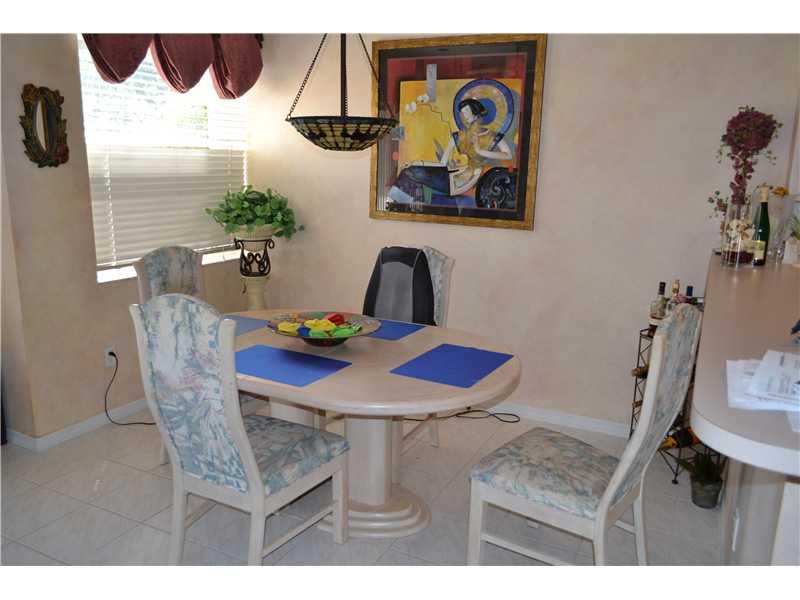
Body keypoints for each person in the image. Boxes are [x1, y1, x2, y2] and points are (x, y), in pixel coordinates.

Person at [389, 96, 513, 205]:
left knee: (413, 172)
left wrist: (480, 151)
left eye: (466, 111)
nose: (464, 116)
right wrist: (417, 163)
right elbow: (443, 163)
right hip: (454, 174)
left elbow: (508, 155)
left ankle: (410, 203)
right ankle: (410, 203)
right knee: (410, 170)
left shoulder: (492, 136)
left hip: (468, 178)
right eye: (462, 113)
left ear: (476, 112)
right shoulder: (459, 135)